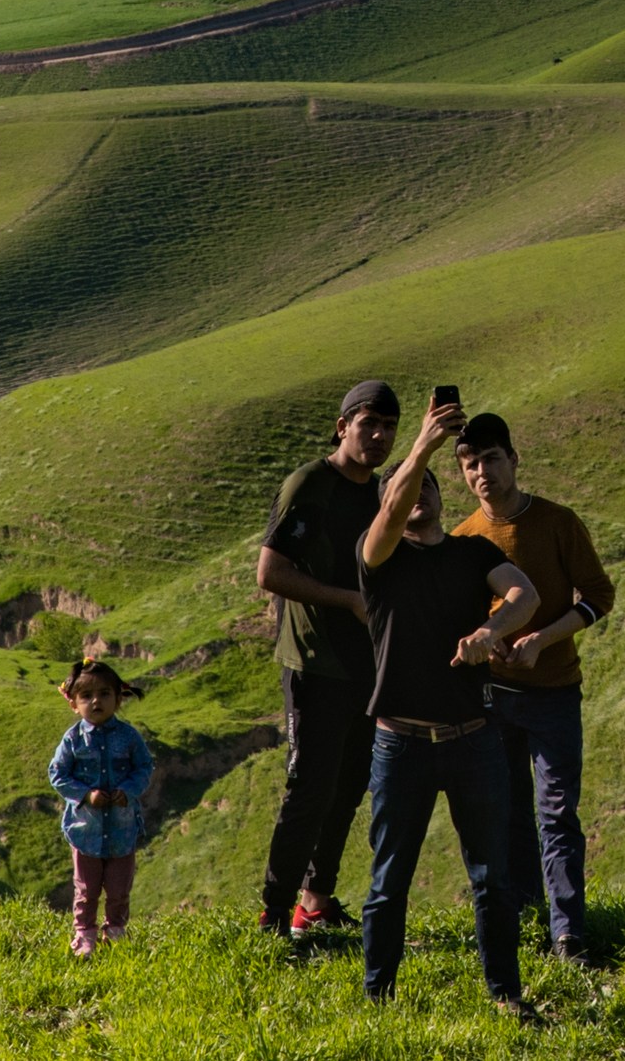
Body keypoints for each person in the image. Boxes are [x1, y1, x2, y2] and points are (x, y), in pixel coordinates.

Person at [354, 391, 545, 1010]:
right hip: (400, 743)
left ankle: (506, 995)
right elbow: (390, 512)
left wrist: (491, 631)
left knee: (493, 878)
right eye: (407, 489)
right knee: (390, 881)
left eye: (429, 486)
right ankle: (378, 1000)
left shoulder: (471, 552)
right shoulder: (378, 560)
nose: (419, 495)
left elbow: (524, 595)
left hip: (472, 739)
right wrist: (423, 445)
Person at [454, 409, 618, 962]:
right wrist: (487, 641)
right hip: (492, 697)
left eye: (491, 459)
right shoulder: (463, 538)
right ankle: (525, 917)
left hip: (553, 692)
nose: (482, 473)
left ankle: (568, 933)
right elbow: (459, 615)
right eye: (471, 464)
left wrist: (541, 640)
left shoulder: (557, 522)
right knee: (506, 815)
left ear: (514, 459)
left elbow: (598, 596)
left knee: (557, 814)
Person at [255, 379, 397, 941]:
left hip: (367, 667)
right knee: (309, 790)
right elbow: (271, 572)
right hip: (314, 663)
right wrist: (348, 601)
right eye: (369, 424)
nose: (379, 436)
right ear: (343, 427)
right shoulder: (309, 484)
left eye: (389, 427)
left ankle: (314, 903)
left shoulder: (381, 494)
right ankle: (273, 914)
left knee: (350, 785)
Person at [48, 659, 157, 958]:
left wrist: (129, 790)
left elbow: (144, 767)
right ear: (73, 704)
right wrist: (85, 795)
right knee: (87, 888)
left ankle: (116, 929)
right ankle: (85, 933)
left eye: (104, 694)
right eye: (87, 696)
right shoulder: (72, 740)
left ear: (118, 699)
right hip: (86, 830)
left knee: (119, 888)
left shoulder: (129, 737)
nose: (96, 701)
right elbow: (57, 774)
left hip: (122, 828)